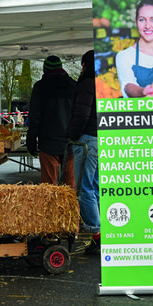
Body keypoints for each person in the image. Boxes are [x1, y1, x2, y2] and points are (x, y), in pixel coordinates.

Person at [26, 56, 76, 186]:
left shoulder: (40, 87)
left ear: (44, 70)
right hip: (71, 143)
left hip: (48, 143)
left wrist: (31, 142)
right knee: (70, 188)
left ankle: (51, 207)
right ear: (61, 68)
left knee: (49, 188)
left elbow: (34, 117)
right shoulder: (73, 86)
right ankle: (70, 207)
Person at [68, 50, 100, 253]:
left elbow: (81, 114)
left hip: (87, 139)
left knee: (85, 189)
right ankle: (103, 231)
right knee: (96, 187)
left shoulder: (87, 84)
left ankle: (97, 233)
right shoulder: (105, 83)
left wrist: (71, 134)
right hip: (101, 138)